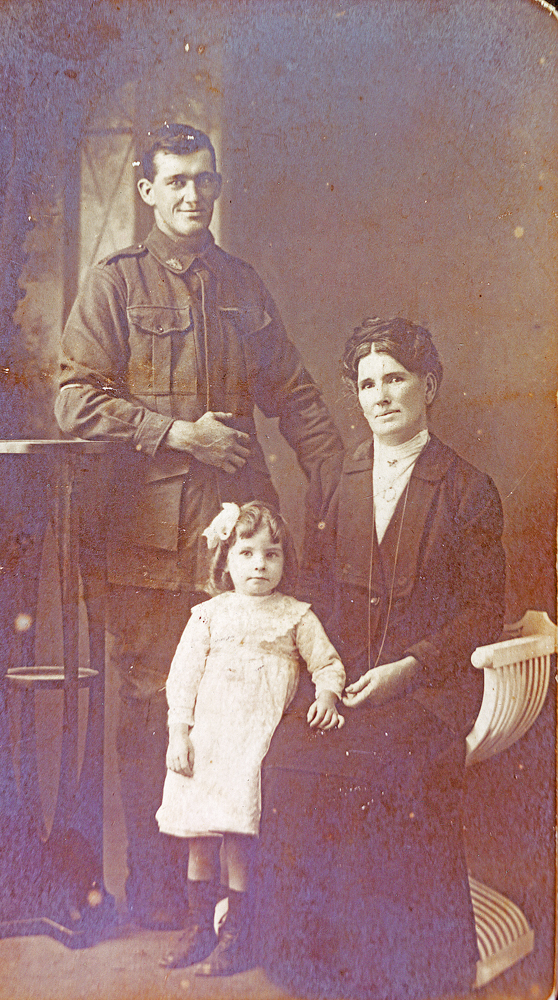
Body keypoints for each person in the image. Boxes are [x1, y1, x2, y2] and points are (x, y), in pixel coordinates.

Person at [53, 124, 342, 929]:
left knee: (252, 709)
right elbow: (74, 400)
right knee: (157, 710)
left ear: (216, 186)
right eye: (174, 180)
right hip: (149, 547)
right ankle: (159, 896)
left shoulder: (242, 285)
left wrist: (342, 484)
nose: (190, 194)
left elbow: (296, 395)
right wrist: (179, 433)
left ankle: (239, 902)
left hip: (241, 547)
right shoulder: (114, 284)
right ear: (146, 190)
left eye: (202, 179)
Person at [255, 317, 506, 999]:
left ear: (430, 385)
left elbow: (483, 611)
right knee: (286, 757)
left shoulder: (467, 487)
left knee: (375, 767)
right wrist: (325, 678)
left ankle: (396, 972)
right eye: (367, 384)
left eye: (395, 378)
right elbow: (310, 593)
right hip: (344, 681)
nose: (381, 396)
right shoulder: (336, 479)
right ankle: (311, 966)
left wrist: (412, 667)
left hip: (429, 687)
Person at [155, 501, 345, 976]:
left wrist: (327, 696)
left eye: (271, 554)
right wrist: (179, 733)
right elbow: (182, 679)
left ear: (284, 562)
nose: (259, 564)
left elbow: (327, 663)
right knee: (200, 834)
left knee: (239, 834)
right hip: (208, 740)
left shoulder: (296, 616)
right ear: (225, 560)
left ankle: (235, 935)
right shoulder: (207, 615)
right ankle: (199, 928)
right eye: (246, 553)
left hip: (254, 743)